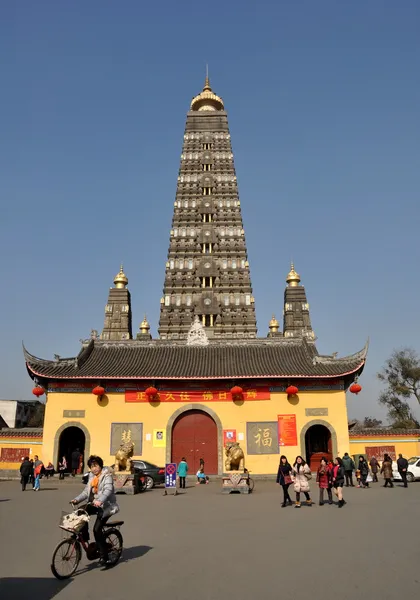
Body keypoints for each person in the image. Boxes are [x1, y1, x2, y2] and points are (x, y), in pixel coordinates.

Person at [71, 455, 119, 566]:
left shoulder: (107, 476)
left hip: (107, 506)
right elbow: (85, 492)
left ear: (100, 465)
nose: (94, 468)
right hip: (95, 504)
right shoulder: (92, 477)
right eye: (92, 466)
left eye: (96, 466)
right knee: (81, 511)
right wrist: (76, 500)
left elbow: (108, 490)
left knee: (97, 529)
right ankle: (85, 536)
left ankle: (104, 556)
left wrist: (100, 500)